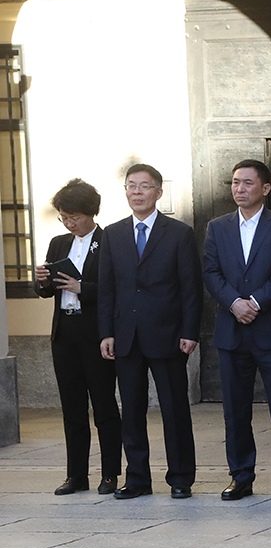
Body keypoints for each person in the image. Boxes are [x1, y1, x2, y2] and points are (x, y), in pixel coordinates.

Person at [98, 163, 202, 499]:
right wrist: (107, 332)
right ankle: (138, 478)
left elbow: (190, 288)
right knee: (132, 411)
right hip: (126, 336)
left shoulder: (178, 233)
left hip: (168, 334)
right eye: (131, 186)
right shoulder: (112, 234)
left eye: (144, 186)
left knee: (174, 409)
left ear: (158, 192)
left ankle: (181, 477)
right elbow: (107, 289)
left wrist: (190, 331)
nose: (137, 192)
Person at [203, 160, 271, 501]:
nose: (239, 189)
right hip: (232, 331)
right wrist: (234, 303)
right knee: (235, 410)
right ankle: (241, 475)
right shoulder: (217, 227)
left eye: (247, 183)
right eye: (235, 182)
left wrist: (256, 302)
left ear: (265, 188)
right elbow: (211, 272)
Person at [35, 179, 121, 496]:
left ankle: (111, 473)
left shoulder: (110, 240)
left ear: (90, 213)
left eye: (74, 217)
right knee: (72, 408)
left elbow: (118, 288)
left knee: (103, 406)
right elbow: (45, 291)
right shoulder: (59, 243)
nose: (70, 223)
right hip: (65, 332)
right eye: (64, 217)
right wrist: (43, 280)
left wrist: (82, 288)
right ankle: (76, 475)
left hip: (96, 333)